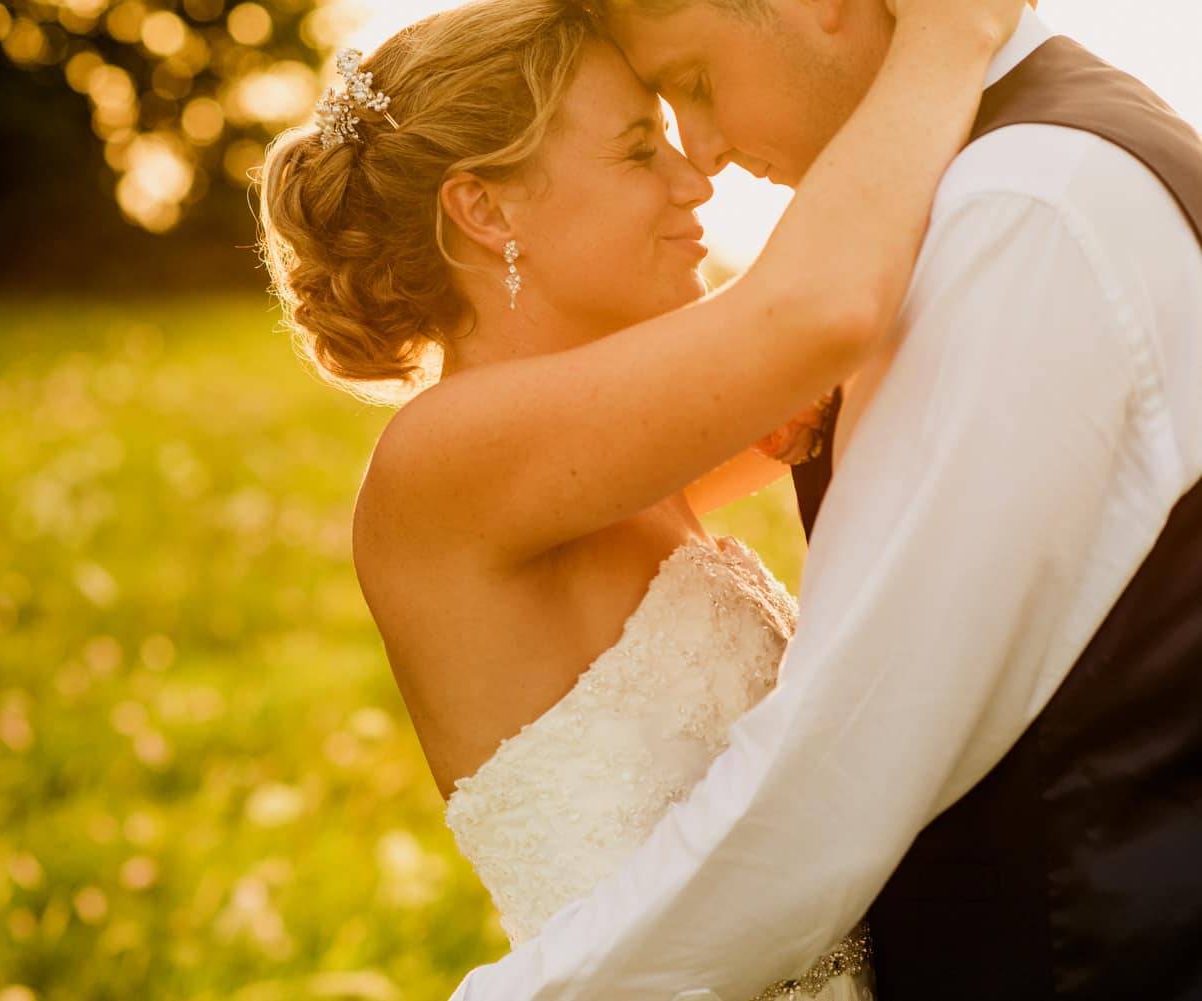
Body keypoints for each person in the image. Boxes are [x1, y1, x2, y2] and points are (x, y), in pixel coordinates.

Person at [261, 0, 1027, 997]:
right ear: (485, 211)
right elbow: (821, 306)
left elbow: (835, 330)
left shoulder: (608, 462)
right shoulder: (439, 459)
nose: (693, 174)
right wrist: (944, 38)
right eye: (636, 152)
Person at [447, 1, 1202, 999]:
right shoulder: (1021, 176)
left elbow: (847, 765)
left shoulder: (1020, 206)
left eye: (698, 86)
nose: (702, 156)